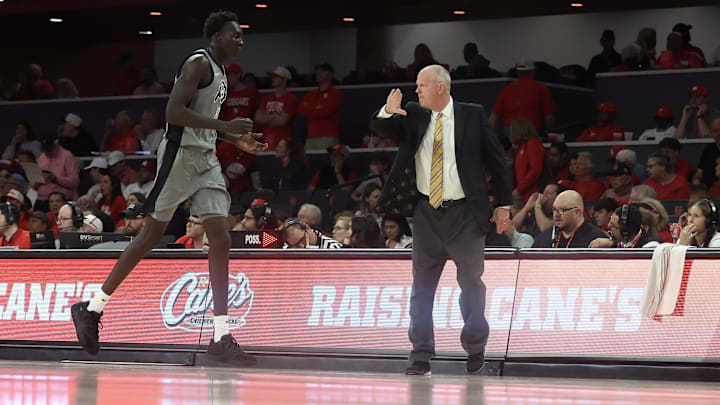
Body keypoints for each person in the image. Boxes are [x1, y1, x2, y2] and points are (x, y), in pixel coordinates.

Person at [70, 10, 267, 366]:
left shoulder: (222, 72)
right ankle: (92, 308)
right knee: (149, 236)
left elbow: (202, 123)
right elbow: (174, 113)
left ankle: (220, 335)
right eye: (234, 34)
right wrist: (226, 125)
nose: (240, 40)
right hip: (179, 157)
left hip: (205, 158)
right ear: (216, 37)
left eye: (242, 35)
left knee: (220, 236)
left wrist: (234, 137)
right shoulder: (197, 63)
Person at [372, 64, 512, 376]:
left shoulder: (472, 114)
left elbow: (496, 160)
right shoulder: (413, 114)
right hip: (426, 214)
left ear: (440, 87)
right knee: (421, 288)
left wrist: (503, 203)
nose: (416, 91)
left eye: (421, 85)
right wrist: (388, 111)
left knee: (472, 284)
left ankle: (475, 349)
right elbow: (382, 129)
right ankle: (420, 354)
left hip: (465, 214)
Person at [489, 58, 555, 134]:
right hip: (532, 132)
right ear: (532, 71)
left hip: (510, 133)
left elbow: (493, 117)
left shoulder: (507, 89)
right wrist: (549, 132)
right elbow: (549, 118)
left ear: (518, 72)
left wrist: (491, 137)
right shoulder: (541, 88)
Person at [532, 190, 607, 248]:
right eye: (554, 209)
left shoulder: (597, 239)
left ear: (577, 212)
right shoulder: (544, 238)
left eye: (562, 210)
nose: (556, 215)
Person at [298, 63, 343, 150]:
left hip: (328, 137)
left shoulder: (335, 93)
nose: (318, 73)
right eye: (317, 71)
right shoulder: (311, 94)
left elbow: (327, 111)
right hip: (311, 137)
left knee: (326, 162)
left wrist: (311, 109)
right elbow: (301, 110)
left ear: (330, 75)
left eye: (322, 71)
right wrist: (317, 108)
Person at [254, 66, 298, 150]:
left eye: (276, 77)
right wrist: (274, 117)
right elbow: (257, 118)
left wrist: (266, 119)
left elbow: (282, 121)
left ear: (284, 79)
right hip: (265, 141)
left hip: (283, 141)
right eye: (272, 77)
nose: (273, 79)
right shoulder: (266, 98)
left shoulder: (290, 98)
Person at [589, 204, 664, 248]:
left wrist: (613, 244)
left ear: (626, 231)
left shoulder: (651, 245)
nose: (609, 226)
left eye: (613, 226)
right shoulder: (618, 239)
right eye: (610, 222)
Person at [510, 118, 547, 201]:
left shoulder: (533, 144)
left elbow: (535, 170)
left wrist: (519, 189)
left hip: (535, 193)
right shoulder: (522, 147)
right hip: (525, 193)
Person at [35, 136, 79, 203]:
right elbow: (33, 185)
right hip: (42, 199)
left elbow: (74, 182)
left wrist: (55, 178)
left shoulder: (67, 156)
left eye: (49, 149)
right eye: (45, 149)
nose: (47, 152)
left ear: (56, 144)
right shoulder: (41, 158)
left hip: (61, 200)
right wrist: (38, 179)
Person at [697, 118, 720, 189]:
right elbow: (700, 171)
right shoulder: (708, 149)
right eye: (715, 131)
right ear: (712, 133)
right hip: (709, 190)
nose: (719, 134)